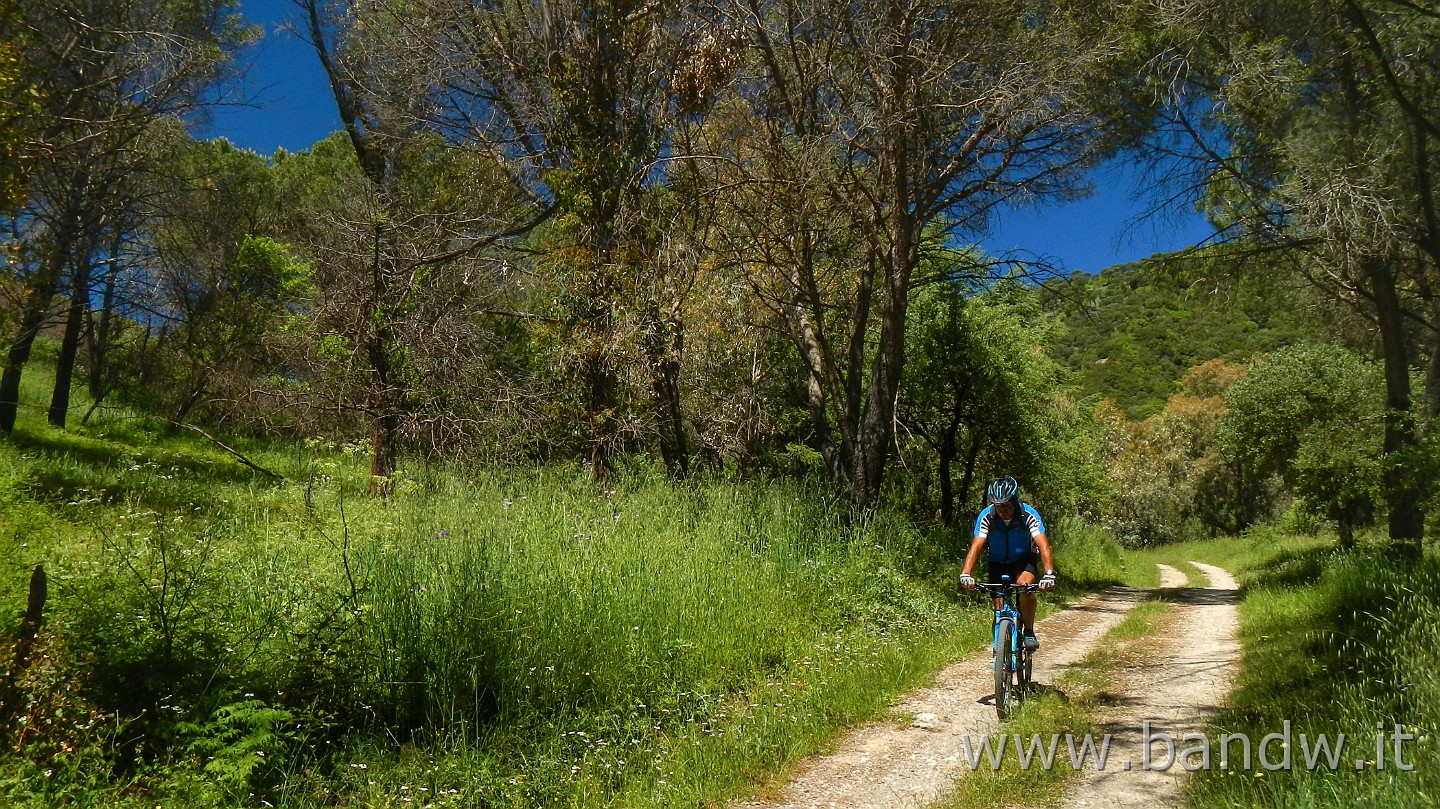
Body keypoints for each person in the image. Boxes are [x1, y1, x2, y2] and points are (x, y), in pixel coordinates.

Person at [958, 476, 1056, 650]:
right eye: (998, 504)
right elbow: (976, 546)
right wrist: (966, 573)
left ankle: (1029, 631)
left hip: (1023, 560)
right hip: (997, 561)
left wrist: (1048, 574)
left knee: (1024, 586)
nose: (1002, 508)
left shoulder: (1028, 515)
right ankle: (1000, 648)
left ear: (1015, 500)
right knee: (999, 606)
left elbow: (1043, 545)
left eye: (1006, 504)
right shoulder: (987, 516)